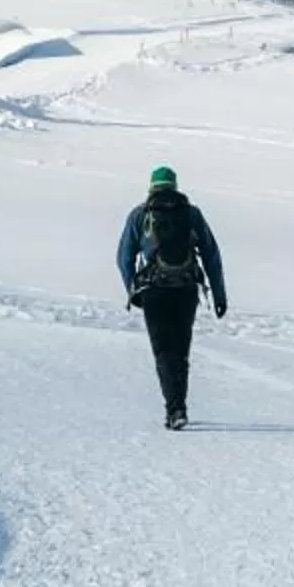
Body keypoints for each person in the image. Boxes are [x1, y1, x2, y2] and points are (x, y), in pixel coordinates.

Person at [117, 165, 226, 430]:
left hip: (154, 290)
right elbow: (211, 254)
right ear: (175, 186)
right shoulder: (191, 214)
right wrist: (220, 294)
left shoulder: (140, 214)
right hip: (185, 289)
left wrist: (133, 289)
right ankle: (179, 407)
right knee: (181, 350)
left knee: (163, 350)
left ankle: (174, 408)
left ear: (151, 187)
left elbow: (124, 257)